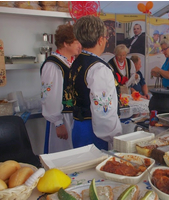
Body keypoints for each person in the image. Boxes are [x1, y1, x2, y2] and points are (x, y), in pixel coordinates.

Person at [70, 15, 122, 150]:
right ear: (100, 40)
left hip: (78, 125)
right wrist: (114, 136)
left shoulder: (77, 62)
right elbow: (104, 112)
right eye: (106, 37)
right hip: (94, 132)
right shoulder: (99, 69)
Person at [40, 24, 82, 153]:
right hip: (63, 117)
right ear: (66, 43)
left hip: (74, 116)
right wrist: (58, 123)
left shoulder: (73, 61)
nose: (80, 45)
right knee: (62, 153)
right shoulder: (53, 65)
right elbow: (50, 97)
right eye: (76, 42)